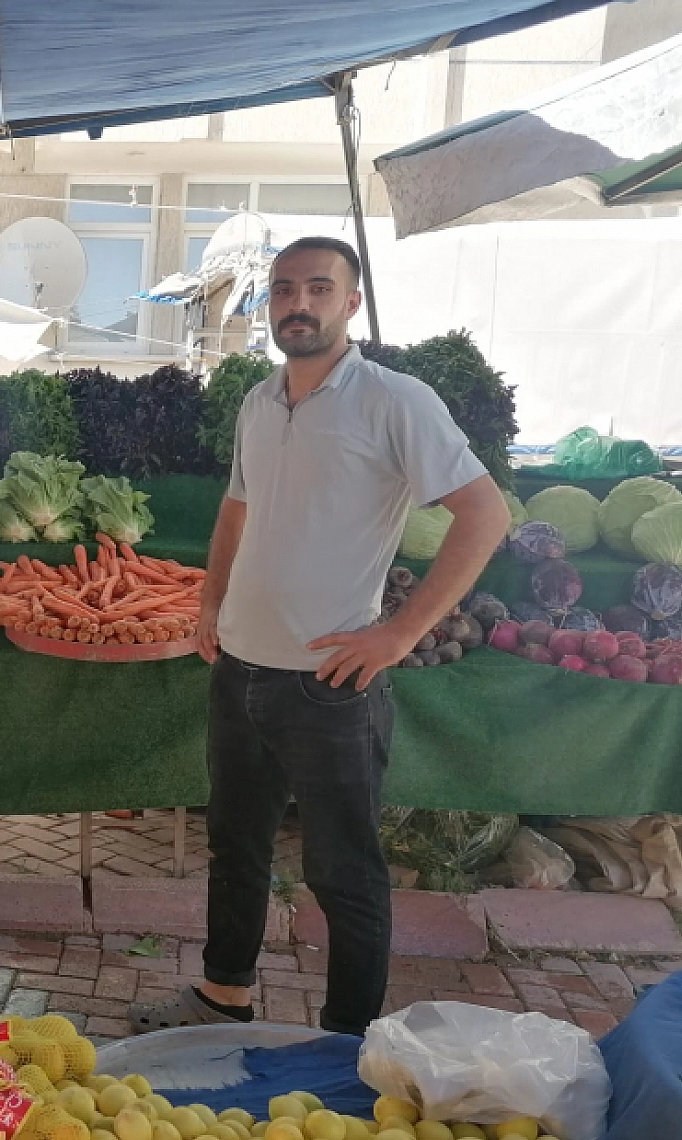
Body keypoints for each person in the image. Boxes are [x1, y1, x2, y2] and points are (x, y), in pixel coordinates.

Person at [131, 237, 510, 1036]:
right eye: (281, 290)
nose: (296, 304)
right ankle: (221, 995)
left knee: (344, 875)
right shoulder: (260, 401)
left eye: (316, 288)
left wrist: (401, 633)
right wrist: (211, 603)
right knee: (236, 852)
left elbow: (485, 514)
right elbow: (238, 506)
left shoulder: (395, 400)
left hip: (330, 686)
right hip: (239, 672)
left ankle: (344, 1043)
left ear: (350, 303)